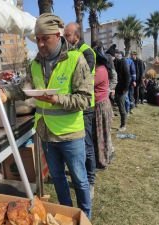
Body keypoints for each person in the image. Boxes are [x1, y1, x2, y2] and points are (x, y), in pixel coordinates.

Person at [7, 13, 93, 218]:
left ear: (57, 35)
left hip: (70, 134)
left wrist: (57, 100)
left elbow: (85, 99)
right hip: (46, 132)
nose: (40, 44)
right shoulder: (35, 63)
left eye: (45, 38)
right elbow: (23, 88)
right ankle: (66, 215)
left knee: (80, 180)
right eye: (37, 39)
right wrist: (4, 93)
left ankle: (85, 218)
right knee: (57, 178)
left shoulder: (75, 59)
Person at [64, 22, 96, 199]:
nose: (65, 39)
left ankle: (90, 181)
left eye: (68, 35)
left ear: (76, 36)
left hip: (85, 106)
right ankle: (80, 175)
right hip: (73, 105)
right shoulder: (70, 52)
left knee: (87, 145)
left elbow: (81, 77)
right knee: (79, 147)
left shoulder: (86, 52)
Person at [91, 41, 113, 169]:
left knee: (101, 135)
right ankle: (102, 159)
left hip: (100, 106)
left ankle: (102, 161)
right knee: (100, 135)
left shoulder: (100, 70)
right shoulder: (99, 69)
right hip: (100, 105)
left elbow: (88, 84)